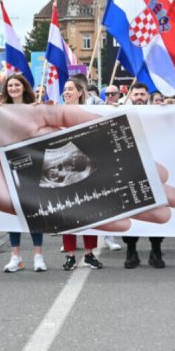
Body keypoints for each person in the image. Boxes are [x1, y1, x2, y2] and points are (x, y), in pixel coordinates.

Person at [0, 74, 48, 272]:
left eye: (17, 84)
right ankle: (15, 256)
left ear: (24, 87)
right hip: (9, 165)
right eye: (10, 85)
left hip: (32, 165)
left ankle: (38, 255)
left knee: (35, 210)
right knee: (13, 212)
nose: (14, 88)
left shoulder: (34, 109)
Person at [57, 78, 104, 271]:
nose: (66, 92)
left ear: (79, 92)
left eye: (70, 89)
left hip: (86, 168)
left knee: (88, 212)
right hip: (63, 169)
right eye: (65, 89)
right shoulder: (56, 112)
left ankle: (89, 254)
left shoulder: (88, 113)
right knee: (67, 213)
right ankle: (70, 255)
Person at [120, 82, 167, 269]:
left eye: (142, 94)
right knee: (132, 212)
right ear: (131, 96)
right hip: (129, 168)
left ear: (147, 96)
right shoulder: (121, 111)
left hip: (153, 169)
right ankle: (131, 251)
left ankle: (156, 250)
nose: (139, 97)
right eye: (136, 94)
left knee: (155, 211)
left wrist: (168, 106)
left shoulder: (157, 113)